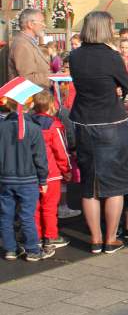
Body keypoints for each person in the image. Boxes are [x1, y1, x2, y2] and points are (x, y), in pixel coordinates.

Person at [69, 11, 128, 254]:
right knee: (114, 185)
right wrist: (116, 89)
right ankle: (110, 238)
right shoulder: (112, 57)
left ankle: (95, 239)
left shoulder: (74, 56)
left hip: (84, 123)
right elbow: (127, 86)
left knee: (90, 185)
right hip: (111, 123)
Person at [0, 77, 52, 261]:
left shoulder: (2, 126)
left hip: (5, 178)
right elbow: (40, 158)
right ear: (29, 104)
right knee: (27, 216)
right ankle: (32, 250)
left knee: (6, 215)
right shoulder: (34, 128)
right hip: (28, 178)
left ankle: (10, 249)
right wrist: (44, 179)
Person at [30, 90, 71, 250]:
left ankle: (37, 236)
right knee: (50, 206)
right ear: (51, 105)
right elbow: (60, 150)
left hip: (31, 172)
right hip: (51, 172)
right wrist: (66, 168)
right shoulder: (54, 125)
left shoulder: (28, 123)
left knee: (35, 207)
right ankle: (51, 235)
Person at [8, 9, 51, 87]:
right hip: (31, 97)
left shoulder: (28, 42)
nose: (44, 25)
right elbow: (27, 78)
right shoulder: (22, 44)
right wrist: (52, 78)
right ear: (30, 24)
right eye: (42, 22)